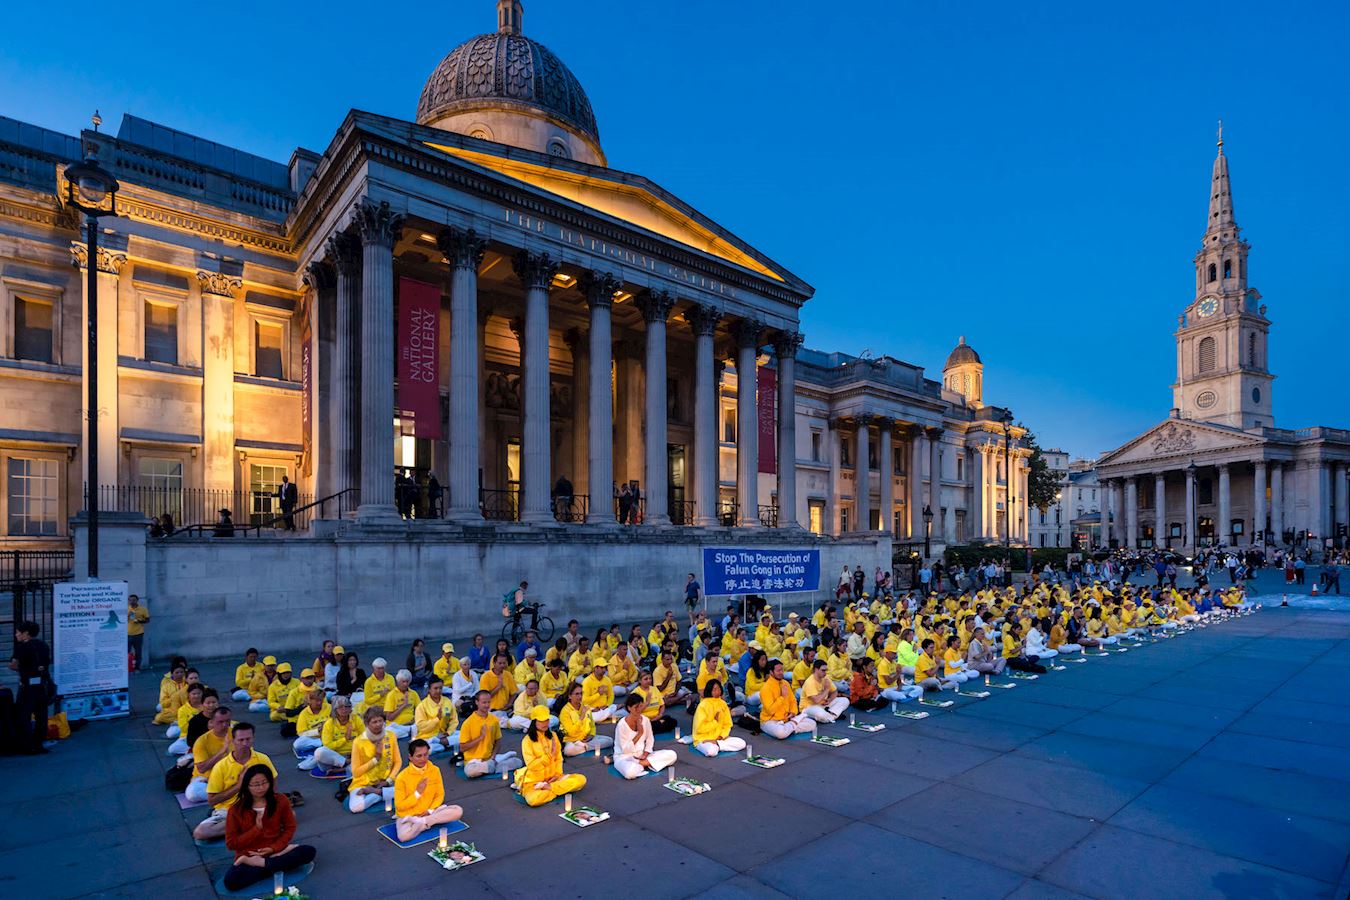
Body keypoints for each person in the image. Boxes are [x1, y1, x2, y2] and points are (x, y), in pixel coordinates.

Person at [221, 764, 316, 893]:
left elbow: (290, 828)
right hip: (249, 856)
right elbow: (231, 844)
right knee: (231, 881)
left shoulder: (281, 800)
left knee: (308, 852)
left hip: (276, 851)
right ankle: (273, 865)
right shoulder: (236, 810)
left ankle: (264, 865)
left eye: (264, 783)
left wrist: (273, 849)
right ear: (246, 786)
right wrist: (256, 829)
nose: (260, 788)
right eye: (255, 785)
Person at [194, 722, 276, 841]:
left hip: (257, 807)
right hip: (229, 810)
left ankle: (248, 825)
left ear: (253, 739)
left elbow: (273, 788)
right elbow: (212, 801)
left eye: (248, 739)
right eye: (241, 740)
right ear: (233, 741)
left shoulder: (262, 759)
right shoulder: (221, 766)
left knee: (288, 814)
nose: (245, 744)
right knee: (201, 832)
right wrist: (239, 786)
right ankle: (251, 825)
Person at [516, 706, 587, 805]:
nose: (545, 723)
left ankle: (551, 789)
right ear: (534, 721)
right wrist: (550, 755)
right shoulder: (527, 741)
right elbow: (532, 765)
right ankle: (558, 790)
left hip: (553, 779)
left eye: (547, 720)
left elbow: (559, 759)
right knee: (533, 800)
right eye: (541, 721)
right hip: (535, 781)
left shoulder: (553, 735)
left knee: (581, 780)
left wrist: (556, 775)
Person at [393, 739, 463, 840]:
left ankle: (423, 822)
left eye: (426, 755)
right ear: (410, 757)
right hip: (409, 816)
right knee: (403, 837)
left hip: (430, 812)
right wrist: (417, 793)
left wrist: (429, 811)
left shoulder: (435, 770)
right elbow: (399, 807)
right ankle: (427, 822)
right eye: (419, 756)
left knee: (458, 811)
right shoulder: (402, 777)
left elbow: (440, 795)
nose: (423, 759)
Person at [347, 707, 402, 813]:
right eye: (374, 722)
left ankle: (377, 792)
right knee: (355, 807)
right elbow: (356, 772)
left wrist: (388, 781)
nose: (378, 724)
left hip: (385, 782)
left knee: (413, 791)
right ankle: (382, 794)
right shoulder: (358, 742)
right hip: (363, 783)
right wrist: (375, 759)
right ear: (367, 724)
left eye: (380, 721)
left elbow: (398, 761)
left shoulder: (390, 736)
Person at [458, 690, 522, 778]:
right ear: (477, 702)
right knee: (470, 772)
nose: (487, 705)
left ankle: (492, 765)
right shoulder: (468, 723)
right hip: (473, 761)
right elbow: (462, 748)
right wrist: (481, 737)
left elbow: (498, 741)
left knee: (518, 762)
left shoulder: (493, 719)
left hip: (490, 758)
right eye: (484, 702)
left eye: (488, 702)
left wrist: (493, 756)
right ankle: (494, 766)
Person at [613, 693, 677, 779]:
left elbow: (650, 740)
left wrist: (646, 753)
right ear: (629, 708)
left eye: (641, 706)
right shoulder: (622, 725)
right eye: (636, 707)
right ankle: (645, 764)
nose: (639, 710)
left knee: (672, 755)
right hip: (624, 757)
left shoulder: (645, 720)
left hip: (642, 755)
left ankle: (641, 764)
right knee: (630, 773)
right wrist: (639, 733)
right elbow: (625, 750)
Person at [186, 705, 234, 803]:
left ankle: (227, 794)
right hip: (207, 779)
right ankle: (231, 794)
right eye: (220, 722)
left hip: (232, 776)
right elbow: (202, 768)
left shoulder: (236, 734)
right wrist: (222, 752)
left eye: (227, 721)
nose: (225, 725)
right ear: (211, 723)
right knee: (192, 793)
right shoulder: (202, 741)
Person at [759, 659, 816, 739]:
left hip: (787, 719)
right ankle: (791, 726)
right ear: (771, 672)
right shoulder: (766, 688)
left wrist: (793, 712)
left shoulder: (785, 683)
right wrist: (782, 697)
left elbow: (793, 701)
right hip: (770, 721)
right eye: (778, 671)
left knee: (812, 724)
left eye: (782, 670)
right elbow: (770, 711)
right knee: (780, 733)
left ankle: (789, 727)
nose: (781, 672)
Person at [690, 680, 747, 757]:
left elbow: (728, 724)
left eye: (718, 689)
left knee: (742, 743)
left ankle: (718, 745)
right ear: (709, 691)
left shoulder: (723, 704)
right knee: (711, 751)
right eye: (714, 689)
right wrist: (715, 722)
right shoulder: (703, 705)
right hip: (704, 739)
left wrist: (721, 737)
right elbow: (699, 728)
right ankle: (718, 746)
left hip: (719, 738)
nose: (717, 691)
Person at [558, 681, 615, 757]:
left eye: (581, 693)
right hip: (572, 740)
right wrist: (581, 717)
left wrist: (591, 734)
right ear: (570, 696)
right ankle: (584, 747)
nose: (580, 696)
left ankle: (583, 747)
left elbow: (592, 725)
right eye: (577, 694)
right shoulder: (565, 711)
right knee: (568, 751)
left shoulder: (585, 707)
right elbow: (571, 732)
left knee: (609, 741)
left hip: (586, 739)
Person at [303, 695, 357, 772]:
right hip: (333, 757)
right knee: (320, 752)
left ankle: (343, 769)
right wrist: (345, 739)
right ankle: (346, 763)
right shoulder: (329, 724)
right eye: (341, 707)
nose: (344, 709)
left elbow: (364, 738)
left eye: (347, 706)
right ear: (335, 709)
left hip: (354, 754)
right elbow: (328, 746)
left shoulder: (356, 720)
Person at [414, 676, 460, 755]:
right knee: (433, 748)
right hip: (428, 737)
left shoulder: (447, 702)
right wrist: (437, 719)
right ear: (429, 689)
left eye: (440, 688)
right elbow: (421, 727)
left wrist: (448, 732)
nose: (438, 691)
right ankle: (442, 743)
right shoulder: (422, 706)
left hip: (444, 735)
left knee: (464, 735)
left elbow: (454, 721)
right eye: (435, 688)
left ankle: (441, 742)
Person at [292, 689, 331, 760]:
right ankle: (323, 744)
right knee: (297, 744)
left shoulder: (329, 707)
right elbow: (301, 733)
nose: (319, 703)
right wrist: (317, 731)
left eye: (321, 700)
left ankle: (326, 744)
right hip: (315, 739)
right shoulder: (304, 713)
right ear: (310, 701)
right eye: (316, 700)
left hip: (330, 735)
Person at [382, 670, 419, 739]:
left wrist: (415, 719)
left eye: (407, 681)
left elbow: (420, 710)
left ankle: (408, 731)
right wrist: (403, 705)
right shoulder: (391, 695)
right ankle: (409, 731)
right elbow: (389, 717)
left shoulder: (414, 693)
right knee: (389, 733)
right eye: (403, 682)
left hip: (410, 724)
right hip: (396, 726)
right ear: (398, 682)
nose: (405, 684)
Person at [581, 656, 618, 722]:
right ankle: (613, 711)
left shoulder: (607, 680)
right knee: (591, 718)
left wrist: (607, 705)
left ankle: (610, 712)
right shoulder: (587, 681)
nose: (604, 670)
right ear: (595, 668)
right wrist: (598, 694)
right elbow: (584, 701)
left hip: (605, 708)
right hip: (592, 709)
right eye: (602, 668)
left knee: (622, 712)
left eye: (605, 668)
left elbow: (611, 695)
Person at [126, 594, 150, 671]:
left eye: (133, 600)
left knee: (138, 652)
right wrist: (127, 616)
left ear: (137, 600)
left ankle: (137, 668)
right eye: (130, 600)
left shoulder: (143, 609)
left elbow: (147, 620)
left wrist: (139, 621)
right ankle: (127, 668)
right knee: (126, 653)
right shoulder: (126, 609)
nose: (132, 601)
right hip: (127, 634)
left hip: (138, 634)